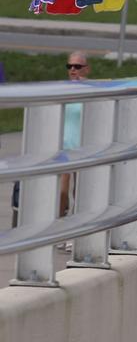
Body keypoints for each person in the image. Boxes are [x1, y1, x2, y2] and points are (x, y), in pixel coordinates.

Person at [11, 51, 90, 232]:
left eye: (77, 66)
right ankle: (59, 230)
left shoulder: (91, 91)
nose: (73, 70)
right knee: (61, 192)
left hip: (83, 147)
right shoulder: (62, 89)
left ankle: (76, 230)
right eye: (69, 66)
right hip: (64, 147)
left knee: (80, 191)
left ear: (86, 68)